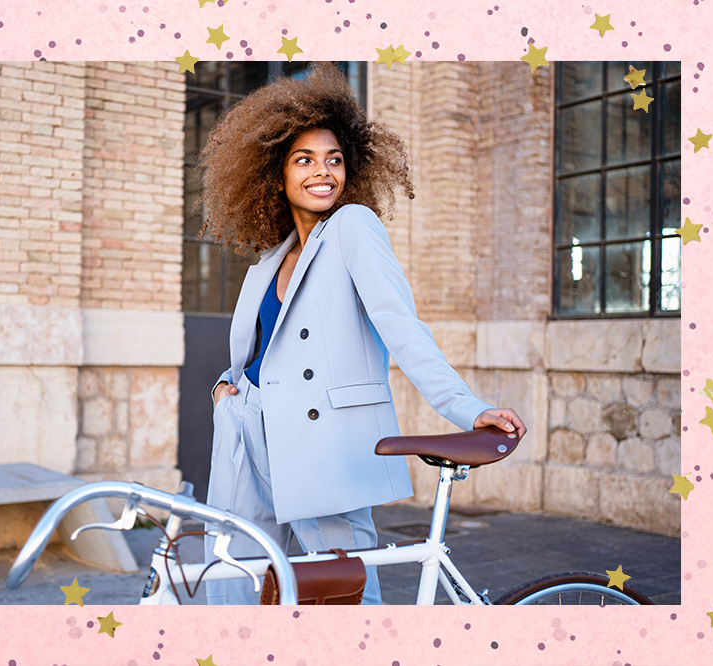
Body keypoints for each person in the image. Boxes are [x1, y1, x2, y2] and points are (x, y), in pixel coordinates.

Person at [197, 63, 526, 605]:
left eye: (334, 159)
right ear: (275, 174)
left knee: (343, 596)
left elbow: (402, 326)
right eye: (304, 160)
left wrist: (465, 408)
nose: (322, 172)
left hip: (321, 443)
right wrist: (224, 388)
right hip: (250, 431)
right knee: (239, 584)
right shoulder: (271, 258)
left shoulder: (353, 228)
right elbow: (262, 349)